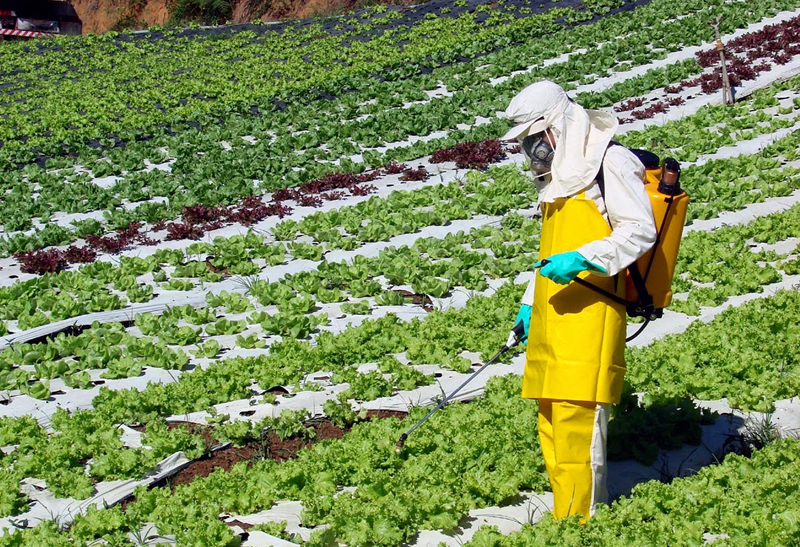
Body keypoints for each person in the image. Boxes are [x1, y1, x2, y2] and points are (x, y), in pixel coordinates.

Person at [501, 80, 657, 521]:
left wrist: (584, 260)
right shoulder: (561, 177)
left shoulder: (610, 161)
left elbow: (639, 230)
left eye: (536, 137)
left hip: (591, 311)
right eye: (527, 141)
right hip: (553, 313)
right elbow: (551, 252)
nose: (533, 149)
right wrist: (530, 302)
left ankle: (582, 521)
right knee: (551, 419)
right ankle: (565, 515)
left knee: (579, 421)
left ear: (558, 125)